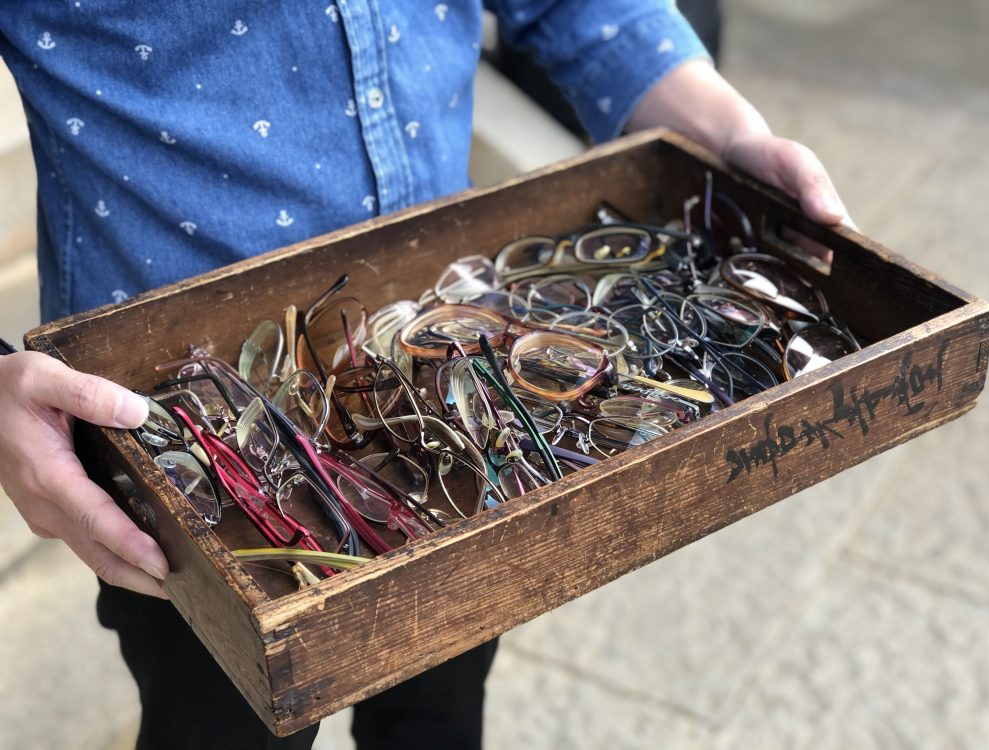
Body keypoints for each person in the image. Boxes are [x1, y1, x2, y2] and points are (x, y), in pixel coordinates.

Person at [0, 3, 850, 749]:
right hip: (168, 440)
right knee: (217, 722)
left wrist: (724, 128)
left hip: (452, 392)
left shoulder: (479, 404)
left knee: (438, 710)